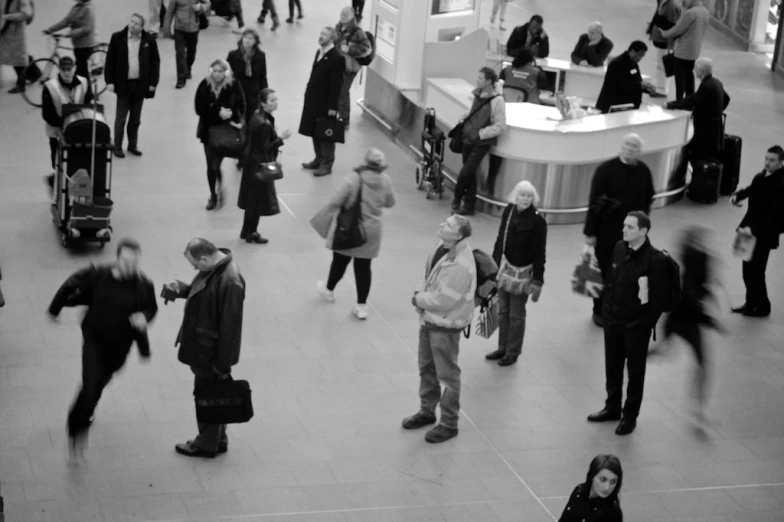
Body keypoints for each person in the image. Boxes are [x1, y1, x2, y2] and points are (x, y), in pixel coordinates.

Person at [47, 238, 157, 457]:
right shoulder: (99, 275)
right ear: (117, 259)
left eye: (134, 262)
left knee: (100, 383)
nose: (130, 266)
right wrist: (55, 308)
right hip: (94, 341)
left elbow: (151, 308)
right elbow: (71, 284)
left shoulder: (143, 285)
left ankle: (85, 411)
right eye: (126, 261)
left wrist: (144, 318)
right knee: (90, 387)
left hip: (120, 347)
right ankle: (76, 429)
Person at [587, 211, 669, 436]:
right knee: (612, 367)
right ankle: (612, 407)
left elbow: (658, 299)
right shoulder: (619, 248)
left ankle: (629, 416)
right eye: (624, 225)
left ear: (643, 231)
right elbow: (611, 281)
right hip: (613, 322)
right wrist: (606, 311)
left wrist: (645, 325)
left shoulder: (655, 260)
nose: (624, 230)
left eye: (630, 227)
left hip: (636, 327)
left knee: (635, 373)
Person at [166, 239, 245, 458]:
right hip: (207, 349)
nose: (195, 269)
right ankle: (218, 439)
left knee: (206, 395)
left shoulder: (230, 281)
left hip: (210, 353)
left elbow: (230, 328)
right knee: (215, 395)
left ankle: (205, 444)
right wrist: (180, 288)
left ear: (204, 258)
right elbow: (198, 291)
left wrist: (222, 365)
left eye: (195, 265)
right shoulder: (215, 270)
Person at [402, 215, 477, 444]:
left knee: (447, 375)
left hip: (445, 326)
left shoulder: (461, 264)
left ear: (459, 235)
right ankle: (427, 411)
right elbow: (428, 276)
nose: (442, 225)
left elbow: (444, 300)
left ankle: (448, 423)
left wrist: (418, 300)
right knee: (426, 368)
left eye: (449, 225)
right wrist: (419, 294)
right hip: (430, 321)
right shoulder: (442, 247)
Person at [311, 148, 397, 320]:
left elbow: (336, 200)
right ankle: (361, 306)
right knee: (364, 267)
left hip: (350, 228)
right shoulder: (386, 180)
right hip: (372, 231)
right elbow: (390, 203)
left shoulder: (354, 178)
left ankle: (329, 290)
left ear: (366, 162)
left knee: (340, 261)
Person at [584, 134, 654, 327]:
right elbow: (594, 202)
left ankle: (617, 310)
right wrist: (590, 232)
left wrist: (642, 228)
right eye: (627, 145)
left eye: (634, 146)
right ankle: (599, 310)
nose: (630, 149)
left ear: (639, 151)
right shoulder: (606, 170)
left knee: (625, 274)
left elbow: (648, 198)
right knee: (604, 272)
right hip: (607, 232)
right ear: (621, 146)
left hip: (632, 236)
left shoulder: (644, 171)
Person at [649, 227, 718, 423]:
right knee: (702, 364)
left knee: (666, 350)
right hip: (688, 322)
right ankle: (700, 408)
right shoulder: (696, 268)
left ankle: (635, 358)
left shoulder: (685, 271)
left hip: (676, 320)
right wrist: (708, 318)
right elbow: (695, 296)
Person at [485, 181, 547, 367]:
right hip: (504, 270)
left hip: (523, 275)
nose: (525, 199)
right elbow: (499, 239)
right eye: (522, 195)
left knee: (516, 315)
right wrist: (493, 266)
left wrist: (538, 280)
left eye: (529, 196)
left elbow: (539, 252)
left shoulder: (538, 221)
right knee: (503, 311)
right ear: (516, 196)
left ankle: (512, 351)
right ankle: (502, 347)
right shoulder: (509, 211)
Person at [730, 145, 784, 318]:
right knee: (748, 271)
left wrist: (754, 230)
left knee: (756, 272)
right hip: (749, 232)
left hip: (762, 236)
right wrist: (739, 195)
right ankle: (751, 303)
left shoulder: (781, 184)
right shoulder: (763, 176)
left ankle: (762, 307)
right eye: (766, 159)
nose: (767, 163)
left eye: (772, 160)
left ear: (781, 162)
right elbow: (753, 188)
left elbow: (777, 219)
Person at [451, 67, 507, 216]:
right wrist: (465, 116)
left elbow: (501, 126)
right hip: (468, 138)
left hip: (480, 142)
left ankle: (457, 197)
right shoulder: (479, 94)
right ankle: (469, 205)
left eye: (480, 78)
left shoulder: (498, 101)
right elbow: (474, 111)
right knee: (469, 174)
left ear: (489, 81)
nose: (477, 80)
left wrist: (482, 134)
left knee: (466, 172)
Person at [105, 13, 161, 159]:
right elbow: (110, 60)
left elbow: (155, 62)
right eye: (132, 21)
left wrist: (153, 83)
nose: (132, 25)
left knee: (135, 118)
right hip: (123, 85)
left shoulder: (149, 40)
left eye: (136, 23)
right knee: (121, 117)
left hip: (140, 85)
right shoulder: (117, 38)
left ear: (142, 27)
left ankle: (132, 145)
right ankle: (117, 146)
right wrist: (109, 81)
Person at [194, 58, 246, 211]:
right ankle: (214, 194)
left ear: (226, 72)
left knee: (216, 164)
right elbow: (199, 108)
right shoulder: (205, 85)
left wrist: (232, 115)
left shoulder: (233, 85)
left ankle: (219, 188)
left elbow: (241, 105)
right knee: (211, 166)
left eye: (220, 71)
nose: (217, 74)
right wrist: (218, 112)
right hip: (208, 132)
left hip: (226, 131)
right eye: (215, 71)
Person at [238, 88, 288, 244]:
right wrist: (281, 139)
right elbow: (265, 147)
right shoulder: (264, 124)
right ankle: (252, 232)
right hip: (259, 166)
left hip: (251, 164)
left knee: (251, 201)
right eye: (272, 100)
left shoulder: (256, 117)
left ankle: (245, 230)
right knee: (257, 201)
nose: (275, 103)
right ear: (263, 103)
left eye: (276, 99)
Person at [667, 58, 730, 172]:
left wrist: (672, 105)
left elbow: (692, 100)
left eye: (696, 69)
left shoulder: (706, 85)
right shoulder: (717, 82)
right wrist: (717, 111)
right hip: (715, 126)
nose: (694, 71)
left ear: (701, 71)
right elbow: (726, 98)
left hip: (705, 128)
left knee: (698, 154)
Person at [42, 56, 94, 189]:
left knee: (78, 161)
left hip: (79, 131)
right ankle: (56, 181)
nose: (66, 72)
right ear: (59, 69)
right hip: (57, 132)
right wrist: (65, 125)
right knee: (58, 160)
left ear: (74, 69)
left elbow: (89, 103)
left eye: (69, 69)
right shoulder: (50, 86)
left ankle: (76, 188)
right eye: (63, 69)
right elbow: (47, 114)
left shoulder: (84, 82)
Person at [299, 27, 344, 178]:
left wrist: (333, 107)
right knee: (315, 130)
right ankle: (318, 159)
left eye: (325, 35)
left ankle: (327, 164)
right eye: (321, 34)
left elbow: (336, 85)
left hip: (325, 103)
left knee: (326, 133)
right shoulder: (320, 52)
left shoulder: (337, 57)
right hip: (314, 100)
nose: (321, 36)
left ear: (332, 39)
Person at [659, 0, 711, 100]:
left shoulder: (691, 13)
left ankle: (680, 101)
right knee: (688, 75)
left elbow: (678, 29)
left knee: (680, 78)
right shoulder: (705, 11)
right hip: (694, 50)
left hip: (683, 50)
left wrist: (664, 34)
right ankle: (689, 98)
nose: (684, 2)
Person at [595, 40, 657, 114]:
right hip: (614, 105)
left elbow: (636, 80)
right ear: (633, 51)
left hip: (627, 106)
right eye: (639, 55)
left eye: (642, 56)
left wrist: (647, 88)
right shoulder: (617, 63)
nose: (640, 58)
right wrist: (640, 85)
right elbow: (618, 85)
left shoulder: (633, 63)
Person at [336, 6, 372, 128]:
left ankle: (344, 119)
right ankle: (336, 114)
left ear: (352, 16)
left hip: (350, 67)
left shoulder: (357, 32)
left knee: (343, 91)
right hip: (339, 64)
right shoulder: (338, 27)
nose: (342, 16)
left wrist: (350, 49)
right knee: (336, 89)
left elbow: (367, 48)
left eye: (345, 14)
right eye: (342, 13)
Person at [558, 455, 623, 522]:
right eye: (603, 479)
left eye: (613, 481)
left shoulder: (613, 512)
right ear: (592, 476)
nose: (607, 487)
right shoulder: (579, 492)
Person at [163, 0, 211, 89]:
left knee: (191, 53)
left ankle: (188, 67)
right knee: (180, 54)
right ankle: (181, 79)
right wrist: (167, 29)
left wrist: (200, 7)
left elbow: (208, 3)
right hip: (179, 29)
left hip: (193, 29)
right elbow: (170, 11)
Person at [43, 0, 96, 81]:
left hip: (86, 45)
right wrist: (50, 30)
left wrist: (71, 33)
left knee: (81, 71)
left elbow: (87, 29)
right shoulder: (76, 7)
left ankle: (87, 91)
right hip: (77, 44)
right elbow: (65, 21)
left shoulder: (88, 10)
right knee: (79, 68)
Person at [227, 28, 268, 123]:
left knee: (252, 120)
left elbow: (262, 76)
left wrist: (265, 95)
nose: (247, 40)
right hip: (237, 93)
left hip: (253, 94)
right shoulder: (233, 55)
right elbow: (227, 74)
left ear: (255, 42)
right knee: (237, 119)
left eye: (250, 38)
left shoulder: (260, 56)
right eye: (245, 37)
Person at [647, 0, 682, 98]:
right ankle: (660, 87)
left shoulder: (671, 5)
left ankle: (661, 90)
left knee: (663, 66)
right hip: (660, 39)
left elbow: (672, 27)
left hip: (665, 41)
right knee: (660, 65)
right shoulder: (663, 2)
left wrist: (670, 46)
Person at [0, 0, 34, 94]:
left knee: (18, 58)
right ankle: (35, 74)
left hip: (16, 32)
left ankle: (21, 85)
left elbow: (26, 14)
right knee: (15, 56)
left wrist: (7, 16)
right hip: (5, 31)